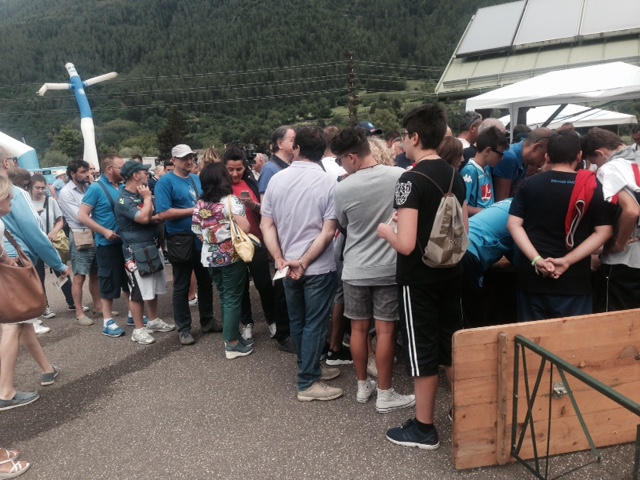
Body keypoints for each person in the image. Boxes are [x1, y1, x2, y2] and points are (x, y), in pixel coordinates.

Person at [377, 104, 467, 450]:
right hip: (452, 271)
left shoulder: (409, 180)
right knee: (450, 345)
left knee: (422, 351)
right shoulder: (455, 174)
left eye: (404, 136)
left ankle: (423, 428)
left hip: (419, 279)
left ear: (414, 137)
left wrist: (386, 230)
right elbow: (464, 229)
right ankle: (462, 410)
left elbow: (406, 243)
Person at [333, 127, 415, 412]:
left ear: (352, 157)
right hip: (388, 267)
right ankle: (385, 392)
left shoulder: (342, 188)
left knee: (358, 329)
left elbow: (343, 224)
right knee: (386, 332)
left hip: (355, 268)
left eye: (340, 160)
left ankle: (361, 386)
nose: (341, 165)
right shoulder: (398, 176)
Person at [261, 126, 343, 401]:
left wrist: (279, 258)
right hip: (317, 266)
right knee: (315, 323)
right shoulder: (328, 182)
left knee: (298, 320)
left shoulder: (276, 180)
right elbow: (328, 230)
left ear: (296, 149)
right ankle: (308, 380)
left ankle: (308, 368)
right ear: (322, 152)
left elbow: (267, 224)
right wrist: (304, 261)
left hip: (286, 265)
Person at [507, 130, 614, 321]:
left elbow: (514, 225)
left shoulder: (528, 185)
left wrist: (537, 260)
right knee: (571, 348)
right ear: (579, 156)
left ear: (547, 156)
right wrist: (567, 261)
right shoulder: (593, 187)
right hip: (574, 281)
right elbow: (604, 231)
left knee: (531, 344)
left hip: (533, 280)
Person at [0, 156, 64, 411]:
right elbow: (33, 232)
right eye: (9, 199)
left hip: (8, 262)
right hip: (11, 268)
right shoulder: (13, 191)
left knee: (22, 320)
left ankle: (48, 368)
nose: (13, 201)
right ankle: (5, 392)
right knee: (12, 325)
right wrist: (58, 264)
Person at [155, 144, 219, 345]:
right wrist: (195, 210)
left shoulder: (196, 179)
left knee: (206, 281)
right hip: (180, 238)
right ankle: (184, 328)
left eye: (190, 157)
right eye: (183, 158)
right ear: (173, 160)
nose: (188, 161)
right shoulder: (165, 183)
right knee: (182, 285)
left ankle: (207, 321)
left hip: (200, 237)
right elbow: (164, 213)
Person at [193, 163, 254, 359]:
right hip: (231, 256)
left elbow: (195, 229)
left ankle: (233, 336)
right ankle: (232, 343)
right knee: (232, 299)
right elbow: (246, 226)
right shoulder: (231, 201)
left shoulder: (200, 204)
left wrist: (211, 239)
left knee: (225, 296)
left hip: (210, 257)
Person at [114, 160, 175, 345]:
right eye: (144, 173)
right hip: (136, 251)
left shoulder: (140, 195)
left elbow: (150, 217)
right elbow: (142, 217)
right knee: (138, 291)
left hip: (151, 246)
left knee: (153, 288)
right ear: (135, 175)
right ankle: (139, 330)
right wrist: (148, 199)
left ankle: (154, 320)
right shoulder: (124, 199)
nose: (147, 176)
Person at [581, 128, 640, 312]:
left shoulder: (609, 169)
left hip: (625, 260)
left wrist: (619, 244)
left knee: (615, 325)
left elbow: (631, 211)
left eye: (594, 162)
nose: (596, 168)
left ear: (600, 153)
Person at [222, 145, 276, 342]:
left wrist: (252, 205)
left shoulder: (252, 185)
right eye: (230, 169)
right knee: (240, 287)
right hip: (233, 245)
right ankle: (247, 323)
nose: (235, 173)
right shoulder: (221, 189)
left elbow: (267, 211)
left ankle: (272, 320)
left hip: (256, 241)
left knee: (264, 284)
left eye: (239, 169)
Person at [78, 154, 130, 338]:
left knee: (129, 279)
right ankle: (107, 322)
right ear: (110, 169)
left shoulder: (123, 187)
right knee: (108, 281)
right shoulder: (96, 189)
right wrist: (103, 231)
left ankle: (133, 314)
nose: (124, 170)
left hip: (125, 242)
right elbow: (82, 216)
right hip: (107, 244)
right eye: (120, 167)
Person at [257, 126, 296, 353]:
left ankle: (289, 329)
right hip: (280, 237)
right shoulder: (271, 169)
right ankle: (284, 334)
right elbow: (266, 207)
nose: (296, 142)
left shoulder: (286, 166)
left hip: (288, 235)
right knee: (282, 285)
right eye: (292, 139)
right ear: (280, 144)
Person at [58, 159, 100, 325]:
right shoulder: (66, 192)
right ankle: (79, 312)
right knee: (80, 276)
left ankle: (98, 306)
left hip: (95, 233)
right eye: (82, 172)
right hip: (80, 235)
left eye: (87, 171)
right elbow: (81, 216)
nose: (87, 174)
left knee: (96, 274)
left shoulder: (88, 187)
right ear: (72, 174)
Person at [30, 174, 75, 317]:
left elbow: (60, 220)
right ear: (31, 187)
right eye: (37, 187)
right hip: (34, 245)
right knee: (38, 277)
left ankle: (72, 301)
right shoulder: (26, 202)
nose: (40, 190)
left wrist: (55, 231)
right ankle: (44, 306)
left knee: (62, 272)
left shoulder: (50, 201)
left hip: (52, 243)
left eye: (43, 188)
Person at [493, 127, 552, 201]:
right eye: (544, 155)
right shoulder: (509, 157)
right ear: (536, 147)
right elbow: (501, 201)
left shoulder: (525, 159)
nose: (544, 160)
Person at [460, 126, 509, 216]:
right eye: (500, 154)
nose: (502, 158)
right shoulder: (469, 171)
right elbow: (462, 207)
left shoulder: (486, 167)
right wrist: (488, 212)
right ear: (487, 151)